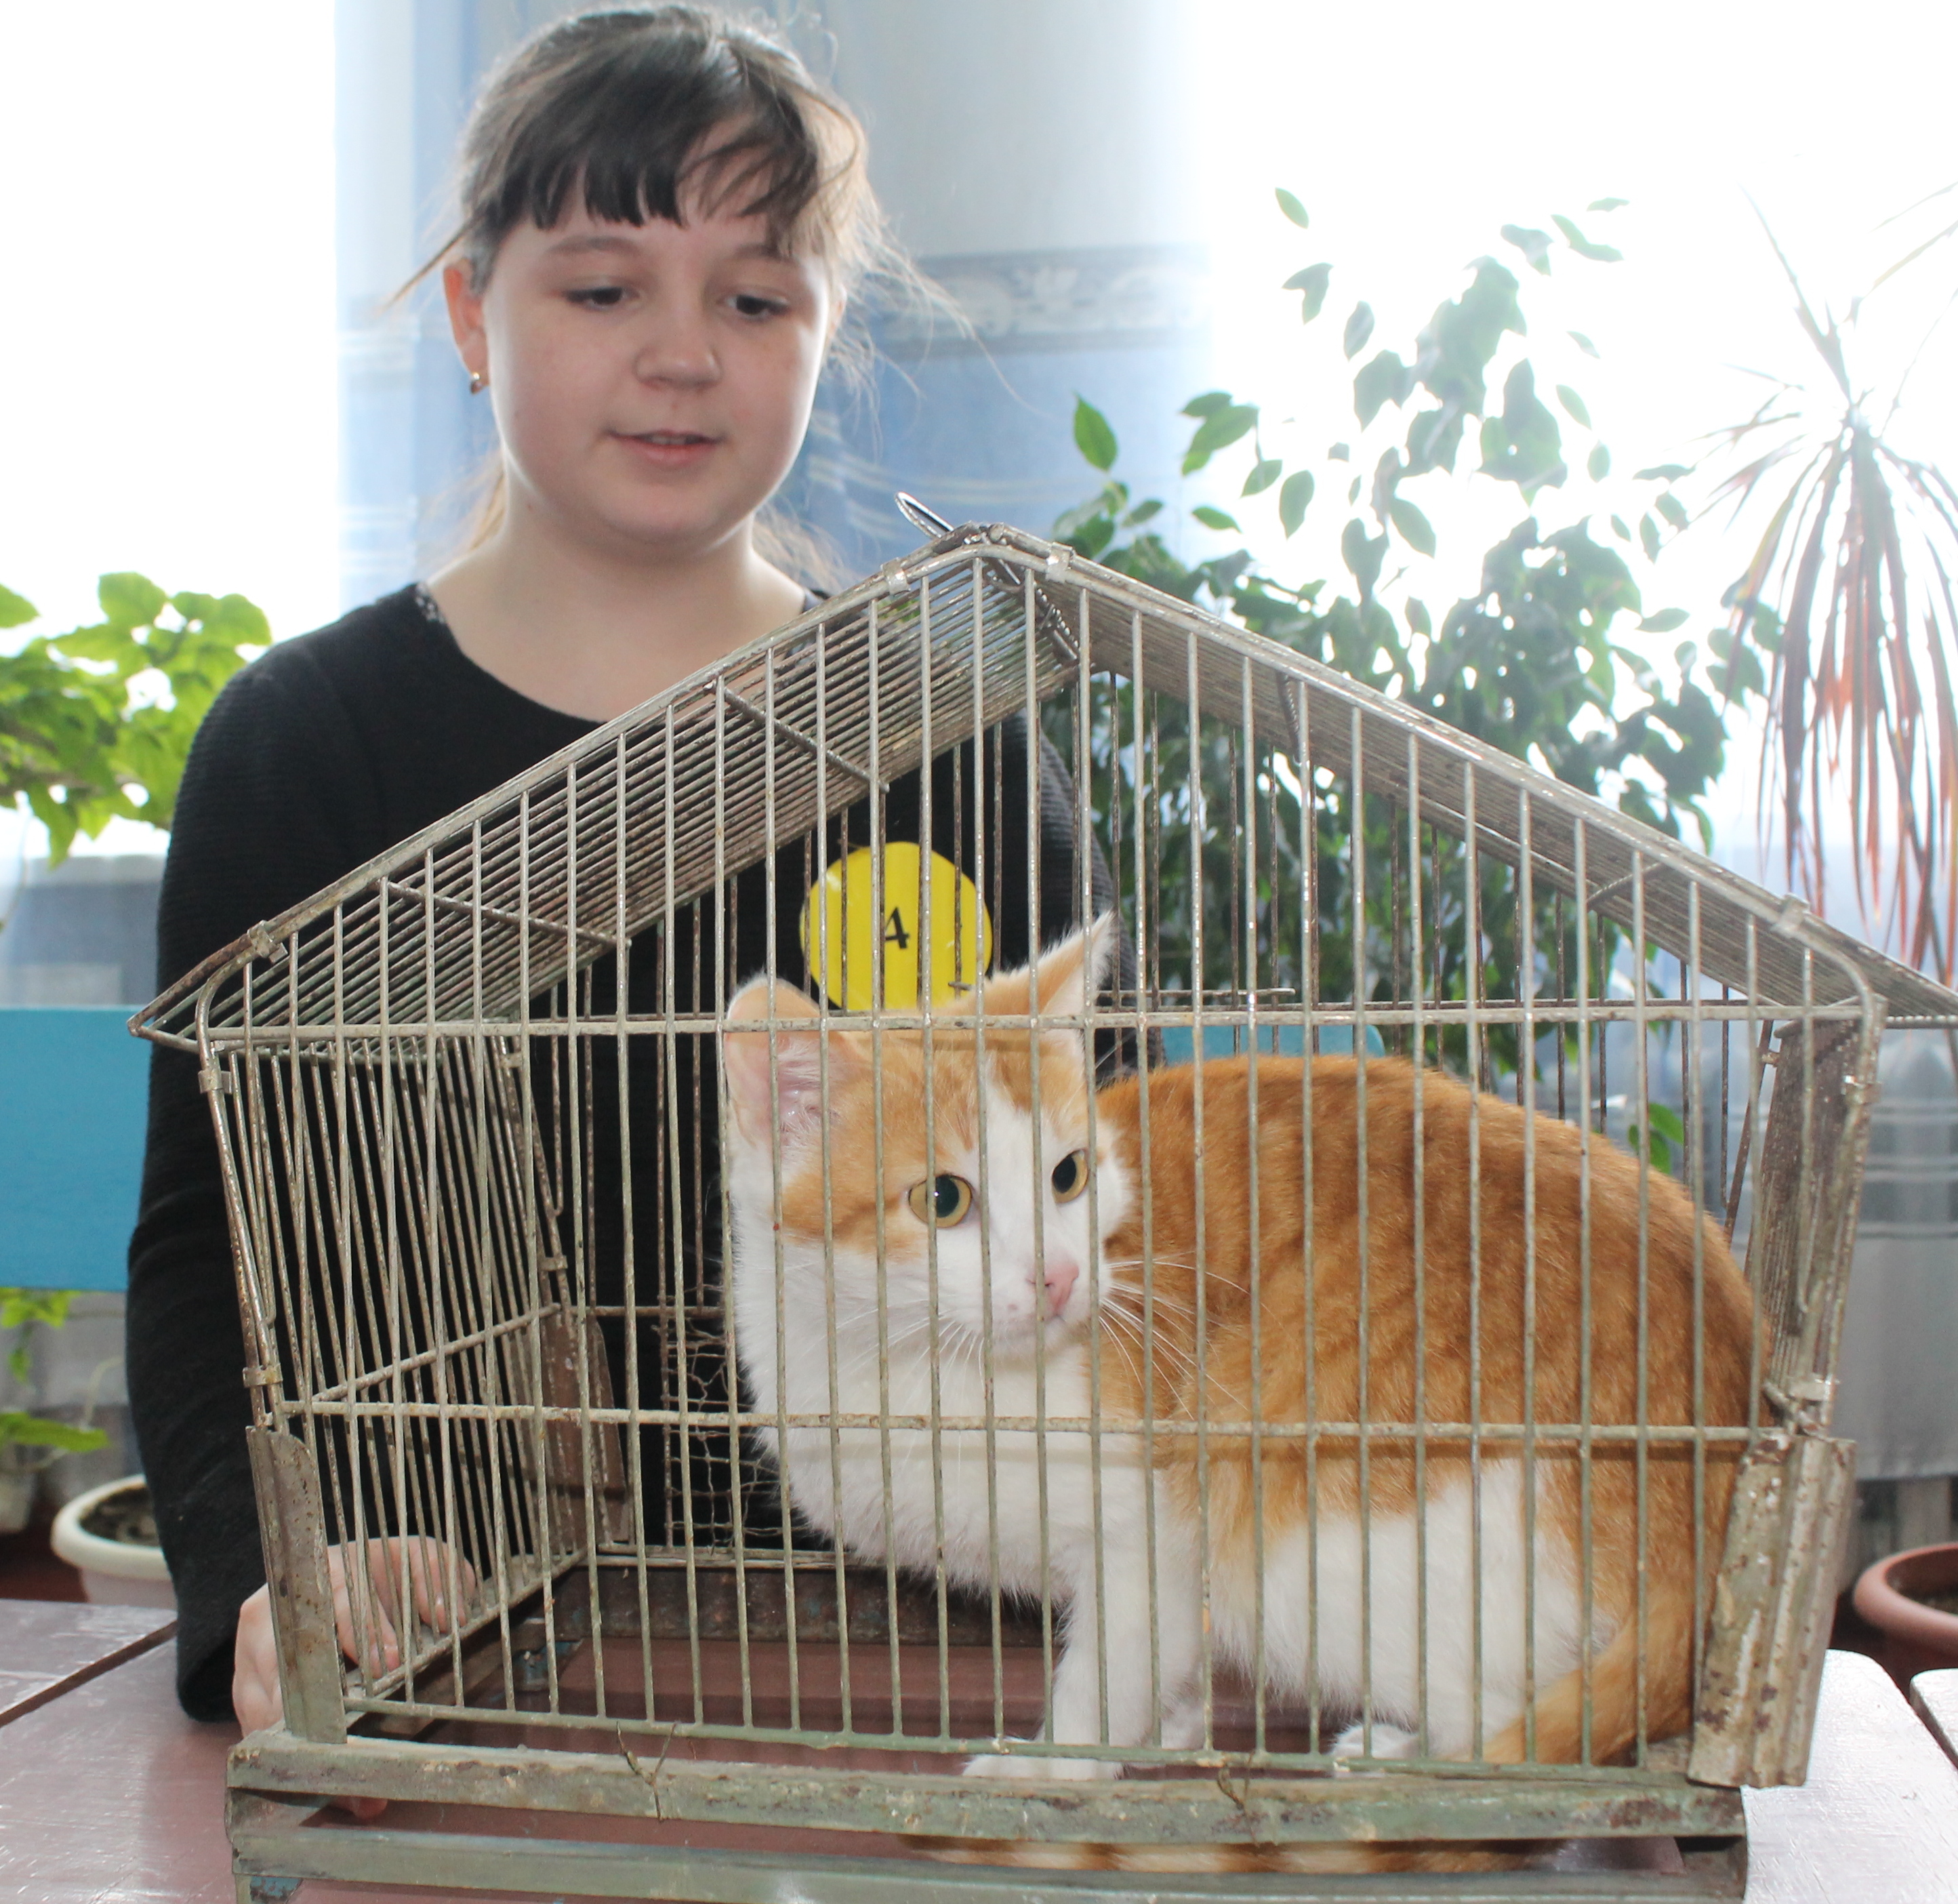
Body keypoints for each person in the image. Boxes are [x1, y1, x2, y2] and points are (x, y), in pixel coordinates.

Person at [125, 3, 1118, 1735]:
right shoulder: (305, 748)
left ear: (824, 331)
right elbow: (212, 1248)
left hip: (915, 1658)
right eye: (600, 291)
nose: (681, 356)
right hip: (449, 1660)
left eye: (754, 299)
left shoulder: (944, 736)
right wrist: (272, 1578)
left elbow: (1112, 1202)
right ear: (470, 313)